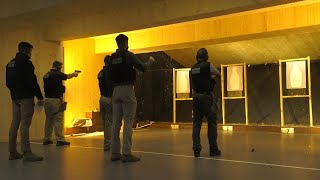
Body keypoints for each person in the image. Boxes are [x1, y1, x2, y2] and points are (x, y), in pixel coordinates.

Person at [110, 34, 154, 162]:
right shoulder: (128, 55)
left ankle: (114, 153)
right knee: (128, 122)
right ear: (125, 43)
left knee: (116, 123)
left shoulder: (112, 58)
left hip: (115, 90)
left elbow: (110, 75)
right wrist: (151, 61)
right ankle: (127, 153)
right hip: (127, 89)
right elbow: (143, 68)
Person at [6, 41, 44, 161]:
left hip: (15, 97)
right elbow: (32, 81)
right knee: (25, 124)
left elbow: (8, 83)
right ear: (26, 50)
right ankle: (27, 153)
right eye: (30, 50)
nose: (31, 53)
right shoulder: (26, 63)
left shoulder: (10, 63)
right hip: (26, 97)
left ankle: (12, 152)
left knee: (15, 123)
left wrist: (14, 92)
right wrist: (40, 96)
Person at [189, 48, 221, 157]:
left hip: (196, 97)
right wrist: (211, 77)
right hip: (206, 97)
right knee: (211, 122)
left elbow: (193, 84)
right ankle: (213, 149)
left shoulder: (192, 69)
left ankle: (196, 150)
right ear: (206, 56)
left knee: (196, 123)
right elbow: (218, 73)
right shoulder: (208, 65)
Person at [42, 61, 79, 146]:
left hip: (47, 100)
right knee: (58, 120)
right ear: (58, 67)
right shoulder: (57, 74)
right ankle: (60, 140)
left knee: (49, 120)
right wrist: (74, 74)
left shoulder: (46, 75)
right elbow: (67, 76)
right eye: (60, 67)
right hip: (55, 100)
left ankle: (46, 139)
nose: (61, 69)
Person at [98, 55, 113, 151]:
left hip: (102, 98)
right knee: (109, 123)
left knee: (105, 123)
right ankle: (109, 145)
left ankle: (107, 144)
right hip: (109, 98)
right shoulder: (111, 72)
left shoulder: (100, 72)